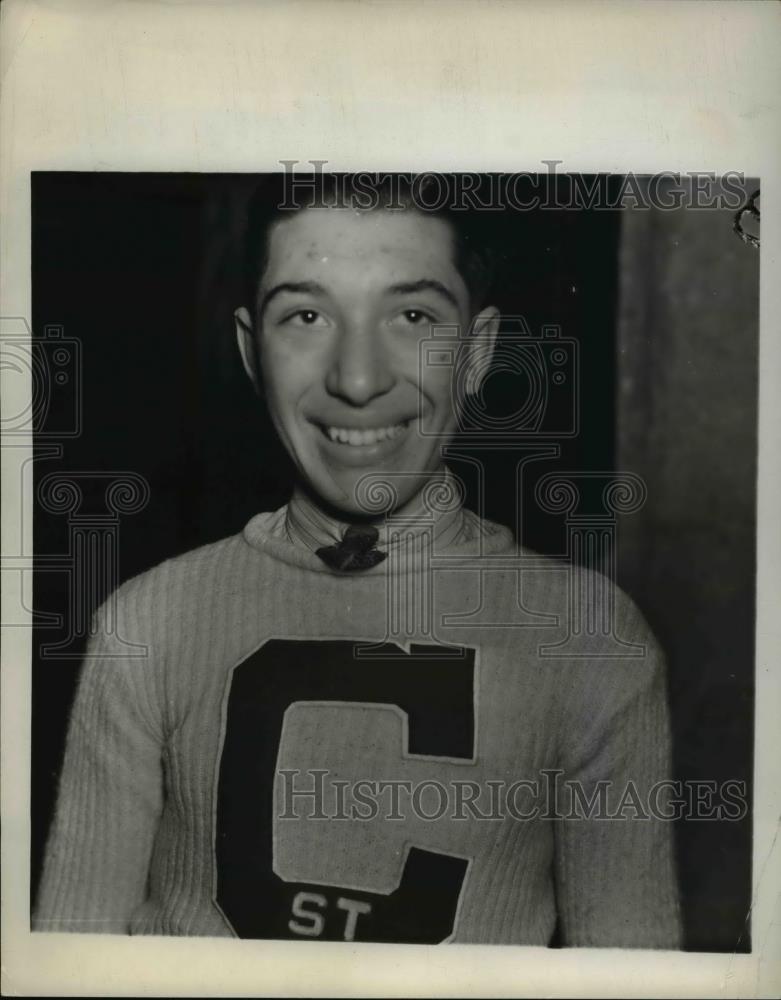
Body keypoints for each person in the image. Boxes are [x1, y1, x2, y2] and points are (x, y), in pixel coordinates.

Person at [34, 174, 681, 947]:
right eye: (305, 316)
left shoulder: (588, 640)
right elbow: (72, 961)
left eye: (411, 315)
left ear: (476, 352)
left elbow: (631, 974)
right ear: (251, 351)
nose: (357, 378)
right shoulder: (149, 622)